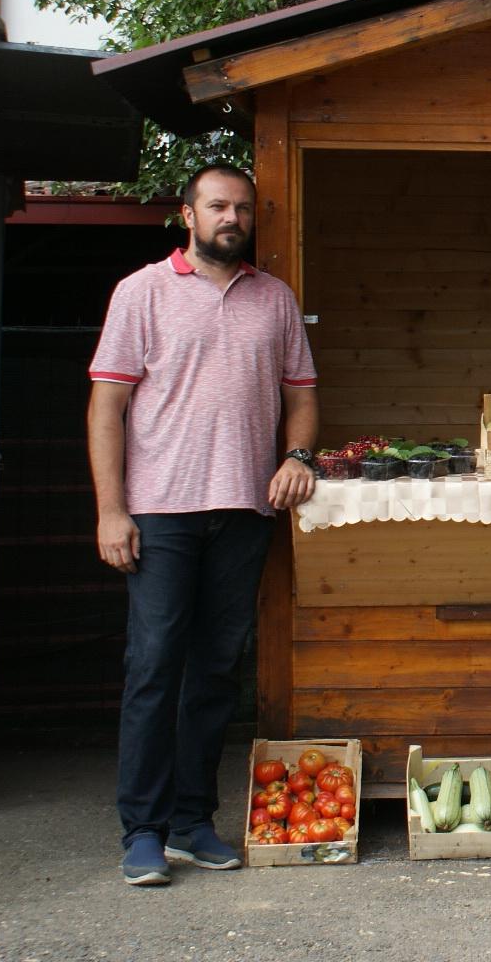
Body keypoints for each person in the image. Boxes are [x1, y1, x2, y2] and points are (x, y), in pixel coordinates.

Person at [87, 163, 319, 886]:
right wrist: (111, 509)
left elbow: (302, 398)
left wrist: (297, 454)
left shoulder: (274, 299)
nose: (232, 218)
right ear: (188, 215)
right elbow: (106, 409)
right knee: (154, 668)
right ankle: (143, 830)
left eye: (243, 208)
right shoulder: (142, 293)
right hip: (160, 513)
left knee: (216, 673)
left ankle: (193, 821)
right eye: (218, 206)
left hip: (245, 510)